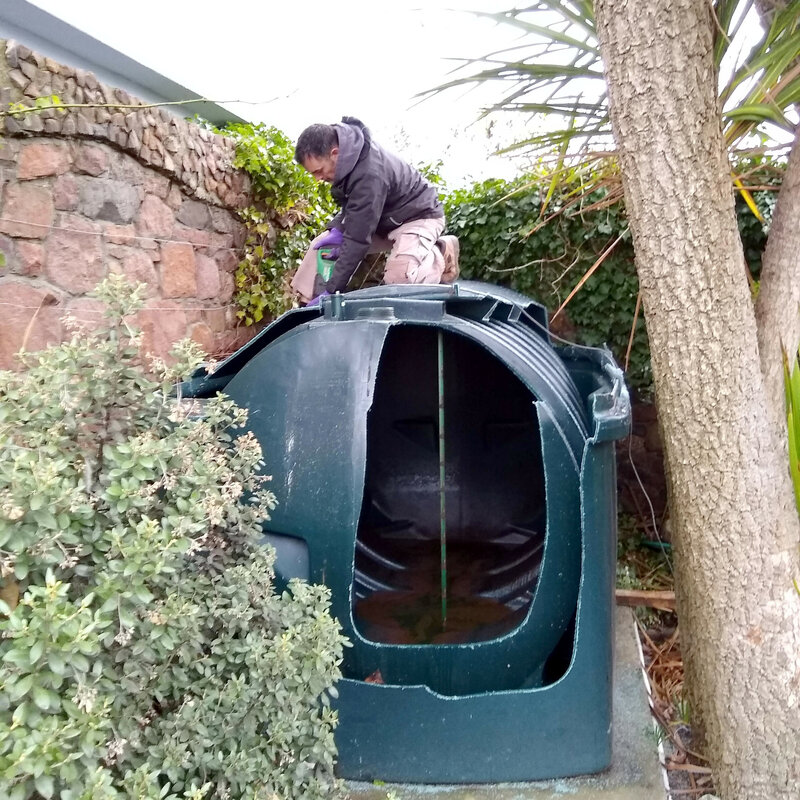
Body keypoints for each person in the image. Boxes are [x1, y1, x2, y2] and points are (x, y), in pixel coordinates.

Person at [291, 116, 458, 304]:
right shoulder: (346, 163)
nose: (317, 178)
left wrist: (332, 291)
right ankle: (307, 306)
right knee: (321, 246)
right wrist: (337, 229)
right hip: (382, 220)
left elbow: (357, 239)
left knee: (400, 278)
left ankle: (440, 250)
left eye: (318, 171)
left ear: (335, 153)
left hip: (418, 217)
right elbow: (352, 207)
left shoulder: (370, 172)